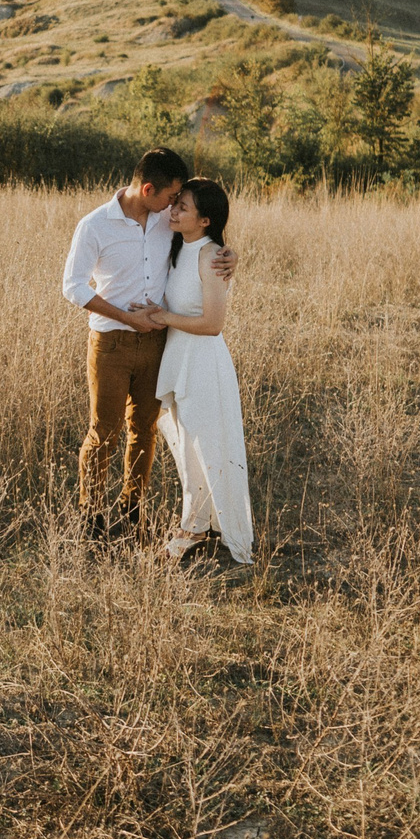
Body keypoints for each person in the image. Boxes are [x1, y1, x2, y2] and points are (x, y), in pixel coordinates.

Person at [60, 148, 233, 538]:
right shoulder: (94, 226)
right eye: (170, 197)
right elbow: (72, 287)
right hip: (110, 344)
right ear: (149, 188)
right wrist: (127, 317)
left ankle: (131, 511)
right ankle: (91, 517)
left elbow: (203, 236)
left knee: (144, 428)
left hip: (157, 344)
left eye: (177, 202)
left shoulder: (165, 221)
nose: (174, 207)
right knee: (103, 431)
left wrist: (229, 254)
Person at [154, 177, 251, 567]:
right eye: (174, 204)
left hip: (204, 360)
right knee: (185, 444)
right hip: (179, 356)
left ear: (205, 220)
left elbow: (213, 323)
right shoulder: (178, 247)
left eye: (183, 208)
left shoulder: (211, 257)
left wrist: (164, 317)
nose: (173, 211)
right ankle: (195, 521)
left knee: (206, 445)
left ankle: (196, 528)